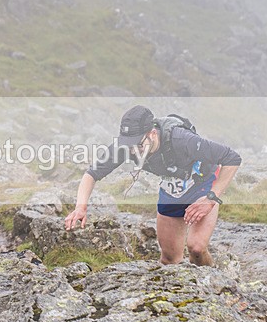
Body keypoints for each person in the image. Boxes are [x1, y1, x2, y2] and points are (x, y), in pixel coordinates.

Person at [64, 105, 241, 266]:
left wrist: (211, 198)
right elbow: (91, 174)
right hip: (172, 191)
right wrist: (80, 207)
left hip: (202, 185)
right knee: (169, 259)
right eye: (129, 145)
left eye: (138, 145)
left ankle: (216, 285)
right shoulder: (127, 146)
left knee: (196, 248)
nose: (133, 151)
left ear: (153, 134)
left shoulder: (182, 139)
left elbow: (232, 158)